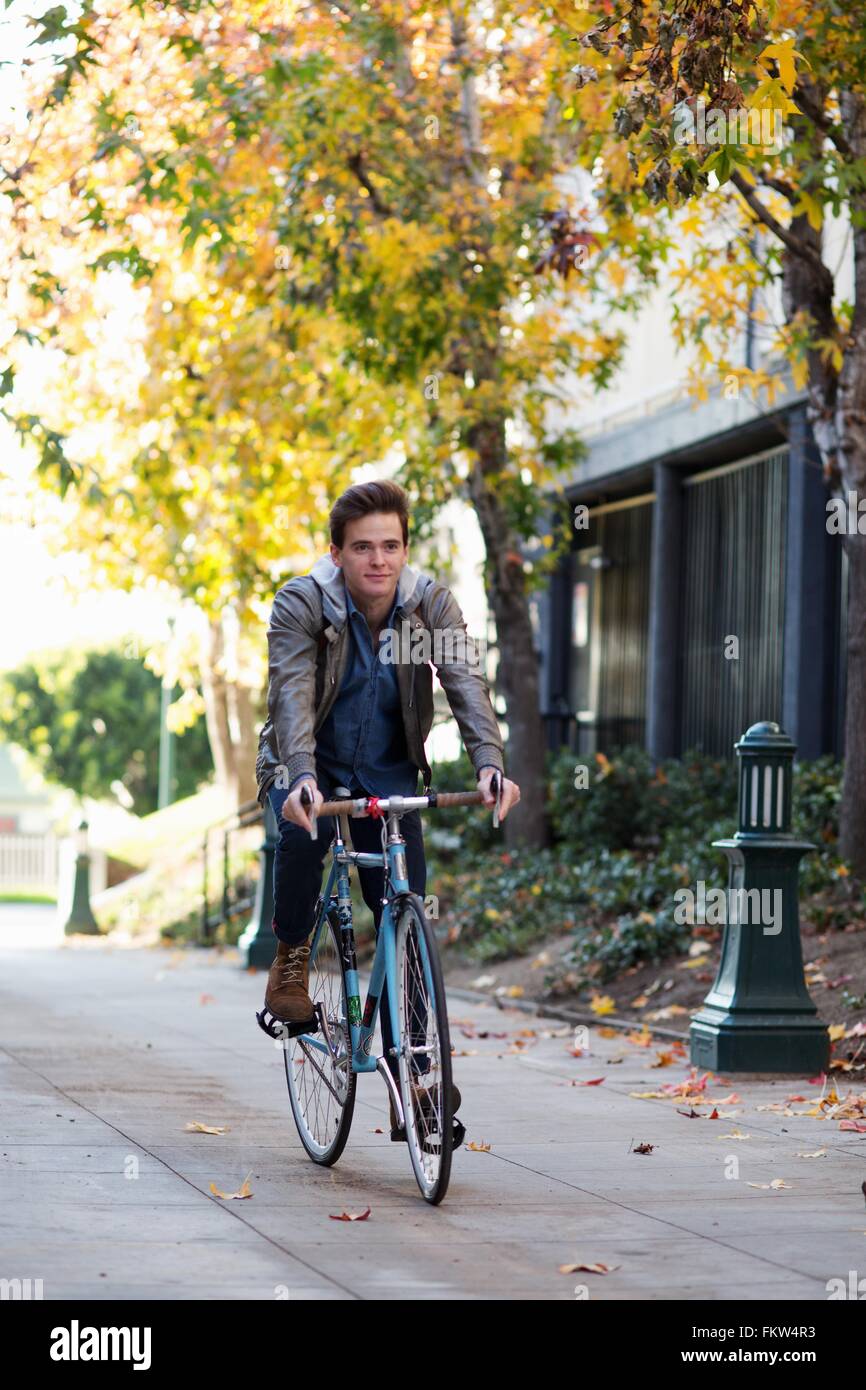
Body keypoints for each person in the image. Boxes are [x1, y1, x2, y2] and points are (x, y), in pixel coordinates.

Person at [254, 479, 520, 1138]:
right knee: (302, 837)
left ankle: (418, 1077)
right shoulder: (303, 603)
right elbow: (291, 695)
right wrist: (303, 781)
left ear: (405, 547)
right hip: (307, 764)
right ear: (338, 552)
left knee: (406, 914)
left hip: (388, 774)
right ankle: (290, 962)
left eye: (391, 546)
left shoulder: (429, 605)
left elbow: (465, 683)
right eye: (363, 547)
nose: (378, 560)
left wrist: (490, 763)